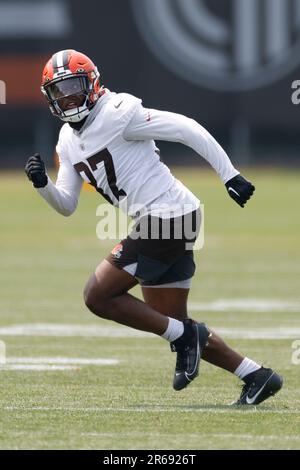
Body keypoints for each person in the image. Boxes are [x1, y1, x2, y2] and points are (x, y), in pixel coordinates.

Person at [25, 50, 283, 404]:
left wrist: (229, 174)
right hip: (166, 218)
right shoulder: (67, 140)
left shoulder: (119, 112)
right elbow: (67, 204)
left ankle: (185, 338)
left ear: (92, 83)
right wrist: (43, 185)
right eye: (59, 92)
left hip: (168, 215)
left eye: (72, 87)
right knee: (169, 319)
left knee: (97, 295)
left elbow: (185, 128)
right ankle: (256, 375)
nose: (67, 98)